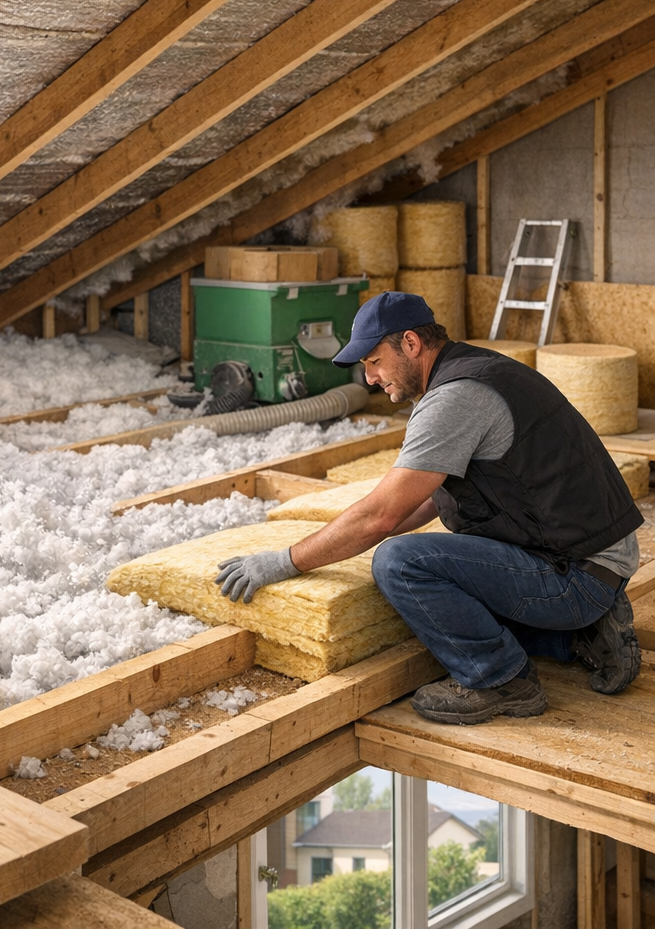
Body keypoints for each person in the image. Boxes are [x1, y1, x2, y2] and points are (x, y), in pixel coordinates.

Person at [215, 291, 642, 725]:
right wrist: (347, 536)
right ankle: (580, 638)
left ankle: (502, 681)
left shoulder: (456, 398)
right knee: (440, 595)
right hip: (592, 559)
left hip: (576, 575)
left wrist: (284, 562)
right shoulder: (476, 369)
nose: (369, 380)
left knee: (401, 564)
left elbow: (380, 516)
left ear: (412, 344)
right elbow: (417, 502)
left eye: (374, 362)